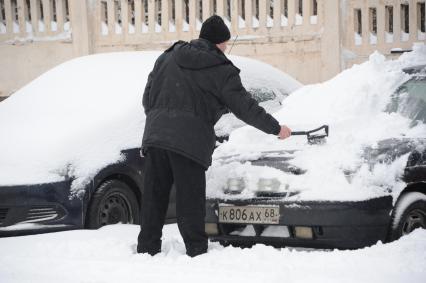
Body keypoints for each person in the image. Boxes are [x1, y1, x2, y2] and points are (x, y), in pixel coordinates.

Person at [137, 15, 291, 257]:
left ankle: (147, 250)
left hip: (156, 136)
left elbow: (147, 98)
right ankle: (196, 252)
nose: (226, 49)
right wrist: (276, 128)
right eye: (226, 44)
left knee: (154, 198)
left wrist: (161, 119)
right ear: (220, 43)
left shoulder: (167, 56)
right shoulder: (220, 69)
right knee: (190, 201)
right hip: (188, 143)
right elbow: (245, 107)